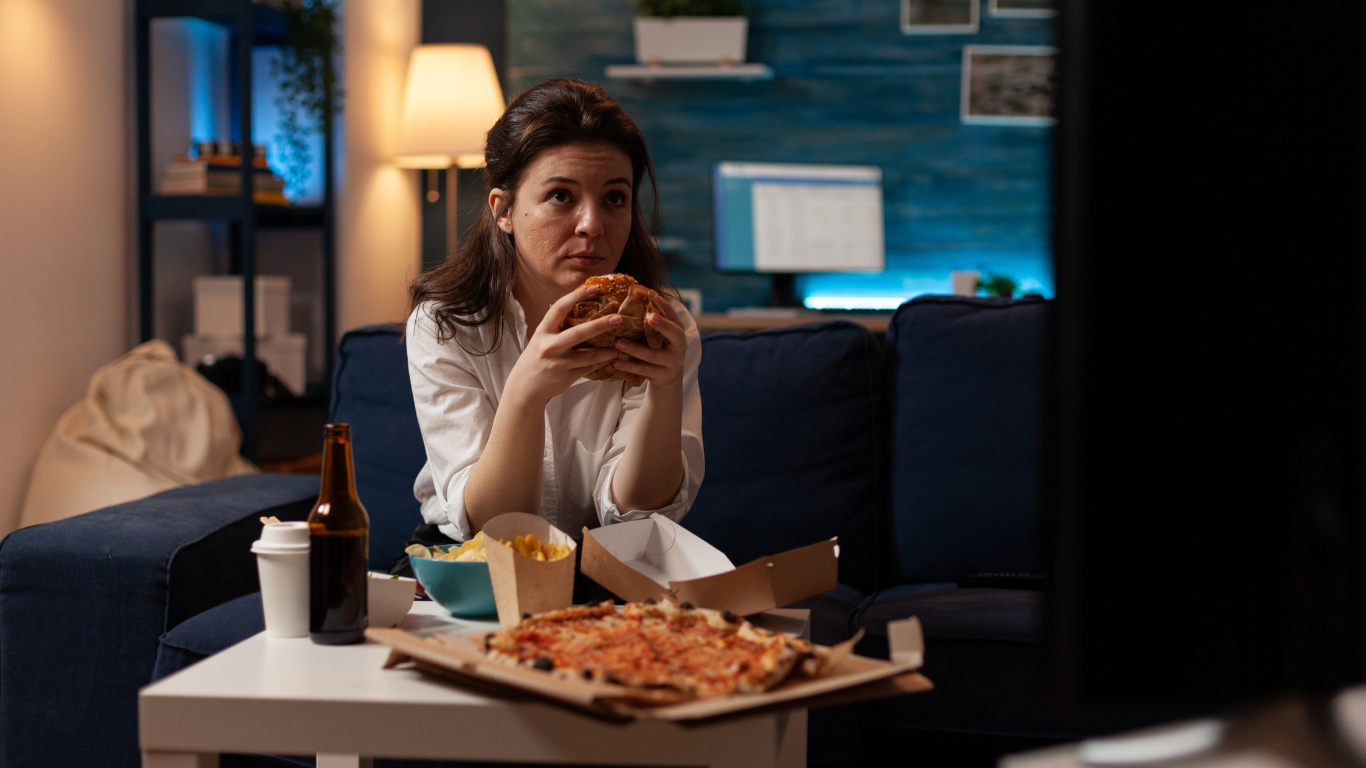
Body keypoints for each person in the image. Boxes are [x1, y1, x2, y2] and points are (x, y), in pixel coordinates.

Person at [403, 78, 704, 560]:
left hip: (609, 560)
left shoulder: (661, 325)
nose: (593, 225)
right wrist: (527, 390)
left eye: (614, 198)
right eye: (561, 196)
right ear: (503, 211)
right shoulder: (444, 324)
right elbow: (495, 529)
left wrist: (665, 391)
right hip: (472, 559)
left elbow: (638, 512)